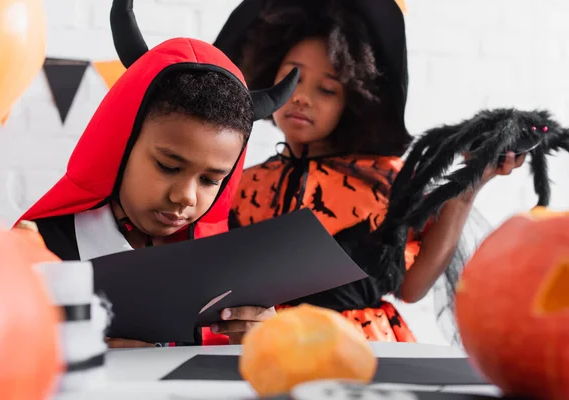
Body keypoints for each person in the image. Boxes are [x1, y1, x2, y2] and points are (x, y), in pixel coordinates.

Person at [214, 0, 524, 342]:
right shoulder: (240, 182)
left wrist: (468, 186)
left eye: (327, 89)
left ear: (353, 101)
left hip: (362, 350)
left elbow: (412, 287)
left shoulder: (384, 181)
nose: (302, 97)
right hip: (259, 349)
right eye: (293, 78)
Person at [16, 0, 298, 347]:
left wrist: (260, 340)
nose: (186, 196)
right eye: (168, 166)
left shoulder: (233, 267)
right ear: (120, 144)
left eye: (211, 180)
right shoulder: (36, 248)